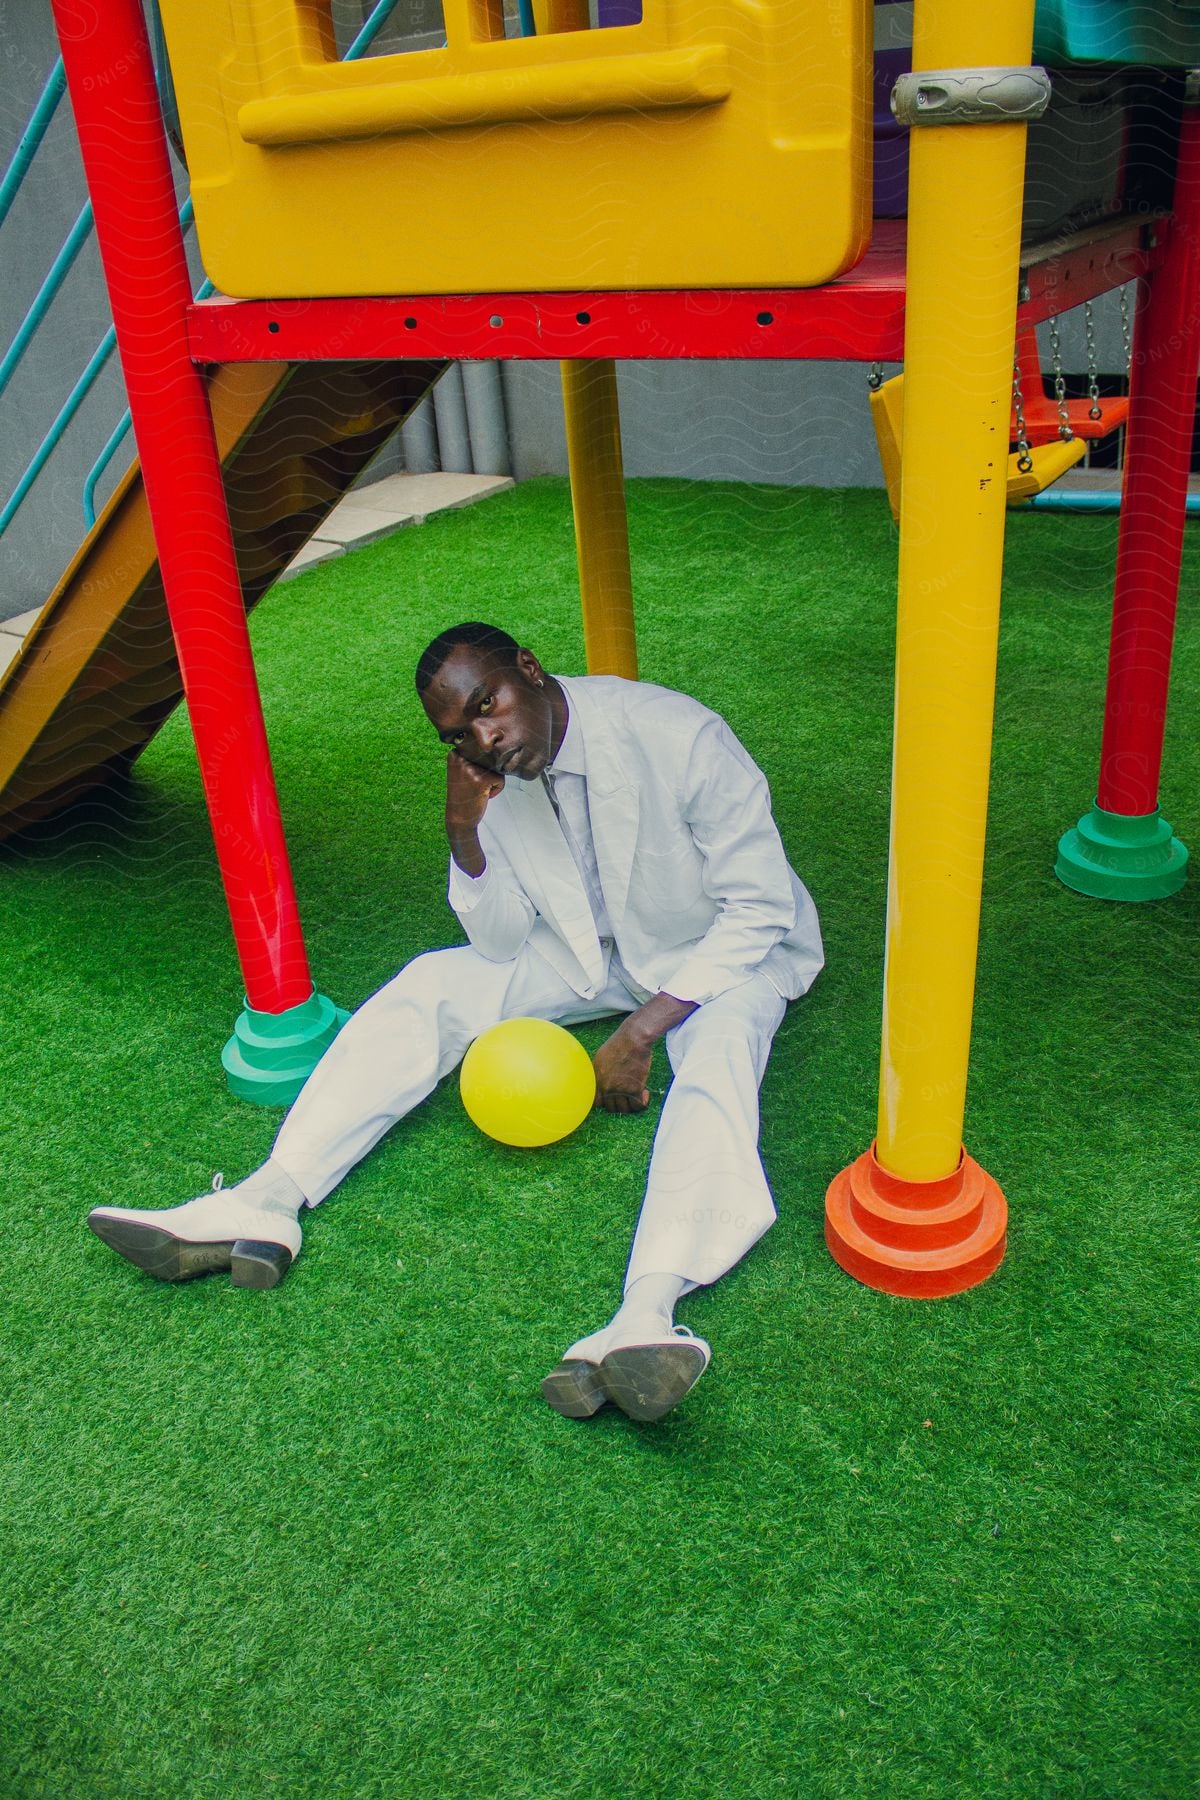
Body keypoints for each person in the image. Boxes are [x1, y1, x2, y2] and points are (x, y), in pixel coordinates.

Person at [90, 623, 823, 1422]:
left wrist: (643, 1030)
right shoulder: (487, 777)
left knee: (716, 1059)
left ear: (531, 671)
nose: (487, 737)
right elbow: (499, 940)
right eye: (460, 733)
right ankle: (266, 1201)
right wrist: (464, 833)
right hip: (591, 956)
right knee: (433, 981)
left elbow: (758, 907)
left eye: (490, 705)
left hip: (721, 952)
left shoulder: (678, 734)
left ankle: (645, 1314)